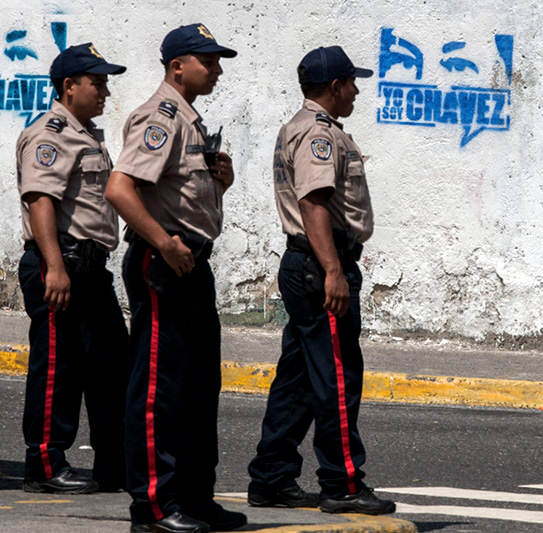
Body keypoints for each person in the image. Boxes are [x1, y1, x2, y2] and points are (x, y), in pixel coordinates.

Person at [104, 23, 244, 533]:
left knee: (198, 385)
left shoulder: (190, 121)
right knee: (159, 387)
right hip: (163, 262)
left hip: (191, 262)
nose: (217, 69)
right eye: (208, 60)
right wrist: (163, 242)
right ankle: (154, 507)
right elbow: (120, 189)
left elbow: (182, 197)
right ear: (177, 65)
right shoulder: (159, 117)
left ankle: (194, 497)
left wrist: (219, 185)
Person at [247, 45, 395, 516]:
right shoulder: (318, 134)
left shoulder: (300, 127)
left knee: (298, 379)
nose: (356, 91)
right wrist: (333, 270)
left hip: (307, 264)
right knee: (336, 378)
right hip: (319, 265)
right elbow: (314, 204)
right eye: (352, 83)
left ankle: (271, 477)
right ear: (334, 87)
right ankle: (342, 482)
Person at [16, 43, 128, 495]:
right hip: (59, 263)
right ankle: (45, 462)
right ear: (69, 86)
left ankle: (113, 464)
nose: (104, 91)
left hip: (90, 268)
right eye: (96, 83)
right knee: (58, 368)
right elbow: (40, 200)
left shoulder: (86, 135)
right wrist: (55, 267)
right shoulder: (51, 134)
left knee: (109, 366)